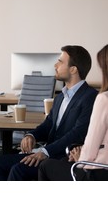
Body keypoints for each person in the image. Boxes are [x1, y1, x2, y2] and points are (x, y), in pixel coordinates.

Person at [0, 45, 98, 181]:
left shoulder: (90, 97)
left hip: (63, 156)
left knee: (19, 170)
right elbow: (48, 124)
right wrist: (31, 136)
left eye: (60, 61)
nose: (55, 65)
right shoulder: (60, 97)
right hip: (49, 152)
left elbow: (77, 133)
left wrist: (45, 152)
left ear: (73, 69)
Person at [39, 44, 108, 181]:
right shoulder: (60, 98)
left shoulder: (103, 99)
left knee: (45, 166)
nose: (55, 65)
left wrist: (80, 158)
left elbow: (92, 143)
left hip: (98, 172)